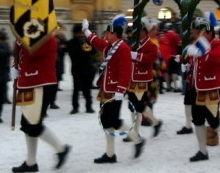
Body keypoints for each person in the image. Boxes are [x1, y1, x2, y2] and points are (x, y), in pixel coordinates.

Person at [82, 15, 146, 164]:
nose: (105, 35)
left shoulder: (123, 48)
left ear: (114, 33)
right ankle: (110, 154)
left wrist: (120, 90)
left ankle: (137, 140)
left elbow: (126, 71)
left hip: (115, 91)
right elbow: (96, 42)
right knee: (106, 121)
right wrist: (86, 31)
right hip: (106, 89)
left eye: (108, 33)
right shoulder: (109, 46)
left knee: (113, 121)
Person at [11, 34, 71, 172]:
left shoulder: (48, 39)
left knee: (33, 125)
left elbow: (31, 52)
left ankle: (61, 149)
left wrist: (21, 39)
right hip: (27, 83)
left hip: (42, 84)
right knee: (27, 125)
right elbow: (20, 55)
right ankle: (31, 162)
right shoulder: (27, 37)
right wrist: (15, 66)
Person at [185, 17, 220, 162]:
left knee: (213, 120)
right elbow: (194, 63)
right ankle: (203, 151)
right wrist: (187, 67)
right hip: (196, 87)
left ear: (208, 32)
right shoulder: (195, 44)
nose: (196, 33)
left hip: (211, 87)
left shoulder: (217, 44)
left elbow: (216, 59)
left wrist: (202, 52)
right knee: (198, 120)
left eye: (199, 31)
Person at [124, 17, 163, 141]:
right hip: (131, 79)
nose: (136, 32)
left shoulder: (151, 45)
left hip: (142, 79)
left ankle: (151, 124)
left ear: (145, 32)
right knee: (132, 107)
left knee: (139, 106)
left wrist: (137, 55)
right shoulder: (134, 43)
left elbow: (150, 59)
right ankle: (142, 129)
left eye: (139, 30)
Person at [66, 24, 98, 114]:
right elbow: (72, 53)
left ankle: (89, 107)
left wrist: (88, 47)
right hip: (77, 69)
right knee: (76, 89)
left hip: (88, 69)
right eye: (79, 33)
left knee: (87, 89)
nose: (81, 35)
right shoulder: (70, 42)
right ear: (75, 33)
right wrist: (81, 47)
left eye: (82, 33)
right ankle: (75, 107)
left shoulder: (88, 41)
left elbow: (94, 51)